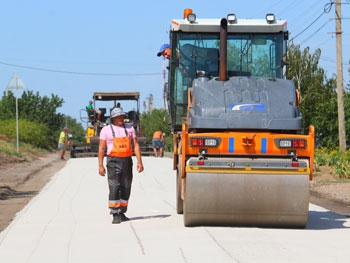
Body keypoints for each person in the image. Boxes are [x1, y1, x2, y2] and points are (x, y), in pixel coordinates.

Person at [98, 107, 144, 224]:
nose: (121, 119)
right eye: (118, 117)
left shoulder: (129, 129)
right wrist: (100, 165)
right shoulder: (106, 130)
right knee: (114, 187)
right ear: (113, 118)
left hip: (127, 161)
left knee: (126, 187)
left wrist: (139, 162)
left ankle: (122, 211)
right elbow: (102, 148)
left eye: (122, 117)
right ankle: (115, 213)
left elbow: (136, 145)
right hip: (113, 161)